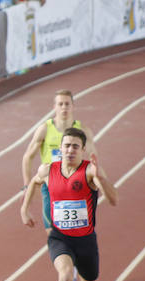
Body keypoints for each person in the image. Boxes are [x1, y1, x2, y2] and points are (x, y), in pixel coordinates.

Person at [20, 128, 117, 281]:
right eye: (66, 146)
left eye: (75, 146)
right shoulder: (48, 170)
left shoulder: (89, 172)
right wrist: (24, 209)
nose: (70, 150)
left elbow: (113, 199)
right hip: (59, 237)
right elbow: (34, 183)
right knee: (64, 276)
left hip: (85, 241)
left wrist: (101, 178)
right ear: (60, 149)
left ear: (83, 150)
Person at [21, 89, 98, 232]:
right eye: (60, 104)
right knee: (53, 232)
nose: (64, 107)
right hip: (51, 182)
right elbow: (27, 157)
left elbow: (94, 157)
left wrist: (101, 181)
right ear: (54, 107)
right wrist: (26, 185)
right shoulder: (45, 129)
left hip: (76, 181)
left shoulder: (83, 130)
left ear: (72, 106)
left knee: (78, 230)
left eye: (67, 104)